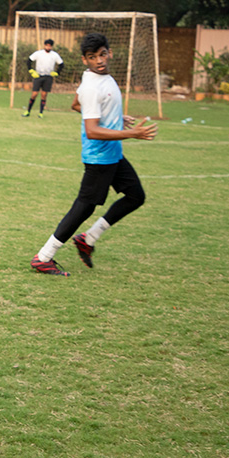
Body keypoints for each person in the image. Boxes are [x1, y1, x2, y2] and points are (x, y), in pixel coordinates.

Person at [30, 33, 157, 276]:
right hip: (99, 157)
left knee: (135, 196)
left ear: (109, 53)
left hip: (113, 154)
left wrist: (117, 118)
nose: (99, 60)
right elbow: (92, 130)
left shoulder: (98, 78)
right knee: (83, 208)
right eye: (92, 57)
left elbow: (76, 105)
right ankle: (43, 257)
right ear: (84, 59)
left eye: (102, 54)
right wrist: (132, 134)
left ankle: (88, 239)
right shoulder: (91, 86)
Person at [22, 39, 64, 118]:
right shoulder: (38, 53)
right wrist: (31, 71)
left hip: (48, 77)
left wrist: (57, 72)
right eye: (47, 45)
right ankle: (28, 111)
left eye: (50, 46)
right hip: (38, 76)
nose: (48, 47)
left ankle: (41, 113)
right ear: (44, 45)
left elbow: (61, 64)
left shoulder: (54, 55)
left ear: (51, 47)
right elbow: (29, 61)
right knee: (34, 94)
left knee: (44, 95)